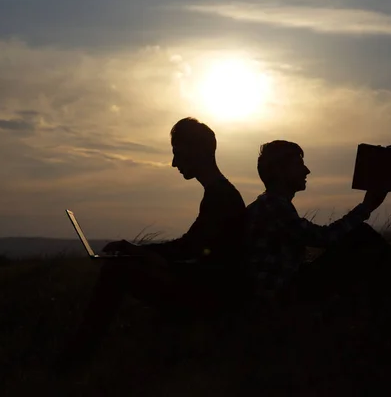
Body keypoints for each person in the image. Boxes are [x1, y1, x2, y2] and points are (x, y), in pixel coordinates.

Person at [55, 118, 248, 373]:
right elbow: (191, 247)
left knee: (116, 273)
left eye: (178, 153)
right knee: (122, 269)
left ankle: (74, 361)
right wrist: (137, 251)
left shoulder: (222, 197)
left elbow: (193, 253)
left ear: (199, 151)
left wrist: (140, 253)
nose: (174, 163)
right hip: (209, 290)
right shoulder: (219, 194)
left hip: (212, 298)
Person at [245, 140, 391, 310]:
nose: (307, 171)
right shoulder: (273, 206)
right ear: (279, 171)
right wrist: (365, 207)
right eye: (298, 165)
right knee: (361, 238)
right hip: (279, 300)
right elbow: (323, 238)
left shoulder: (268, 205)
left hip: (280, 294)